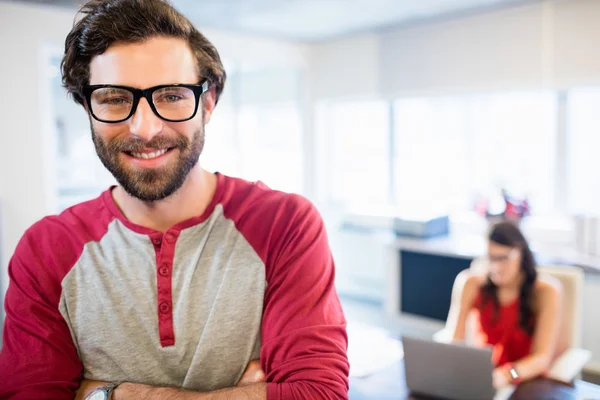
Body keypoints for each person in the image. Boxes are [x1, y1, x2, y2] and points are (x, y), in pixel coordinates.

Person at [0, 0, 349, 399]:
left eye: (170, 95)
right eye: (114, 98)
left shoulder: (284, 224)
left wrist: (111, 394)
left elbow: (319, 394)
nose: (144, 128)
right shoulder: (45, 249)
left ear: (208, 102)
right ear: (87, 108)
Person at [444, 221, 563, 389]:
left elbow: (541, 358)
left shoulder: (545, 292)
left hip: (525, 380)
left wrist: (508, 375)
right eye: (491, 258)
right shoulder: (470, 283)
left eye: (503, 258)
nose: (496, 267)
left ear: (521, 254)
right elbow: (455, 339)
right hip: (484, 376)